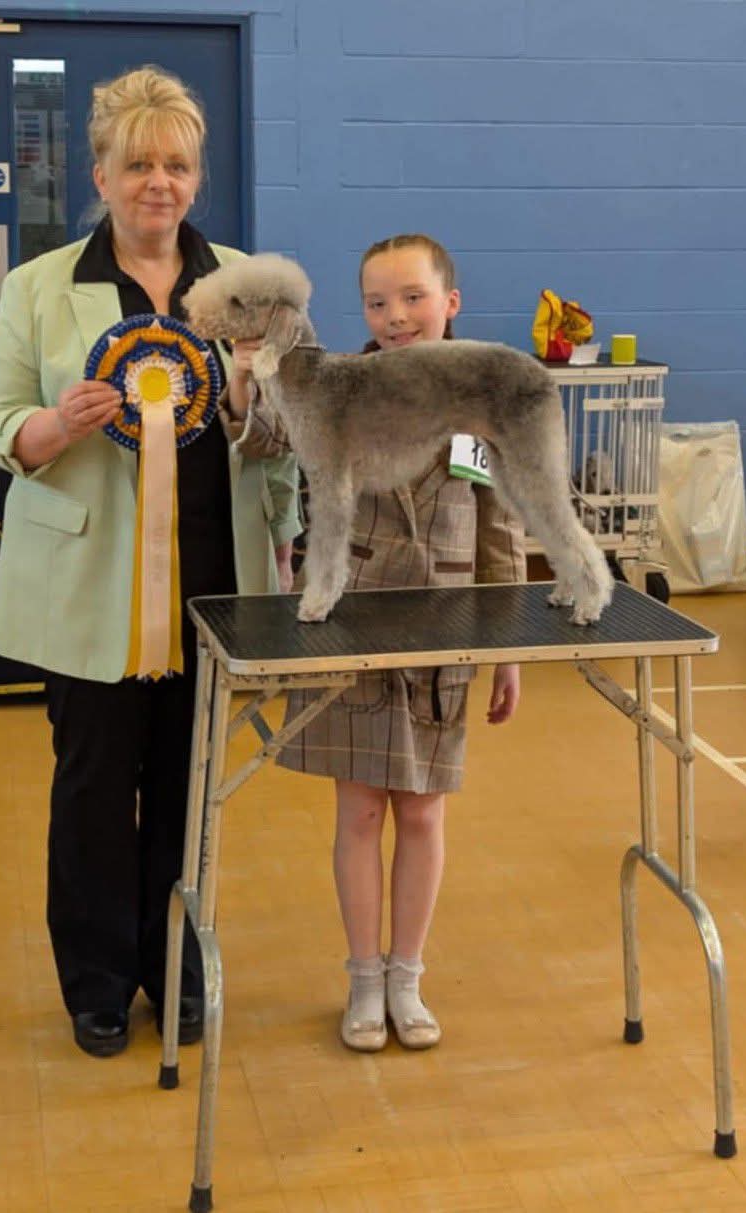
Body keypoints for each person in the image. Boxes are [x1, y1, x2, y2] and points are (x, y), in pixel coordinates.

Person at [0, 66, 301, 1058]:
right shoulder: (37, 288)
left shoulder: (249, 285)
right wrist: (51, 425)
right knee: (93, 790)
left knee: (192, 787)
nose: (160, 181)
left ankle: (177, 967)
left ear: (197, 179)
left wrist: (248, 405)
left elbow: (286, 435)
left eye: (178, 164)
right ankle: (99, 983)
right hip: (86, 593)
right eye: (138, 163)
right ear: (100, 176)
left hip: (213, 584)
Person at [222, 233, 526, 1051]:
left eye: (413, 298)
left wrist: (503, 648)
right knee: (358, 810)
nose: (396, 317)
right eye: (378, 303)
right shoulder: (328, 388)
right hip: (349, 620)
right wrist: (248, 382)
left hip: (445, 627)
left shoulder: (481, 402)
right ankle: (362, 977)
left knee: (422, 813)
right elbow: (259, 441)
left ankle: (407, 977)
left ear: (450, 303)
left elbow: (500, 530)